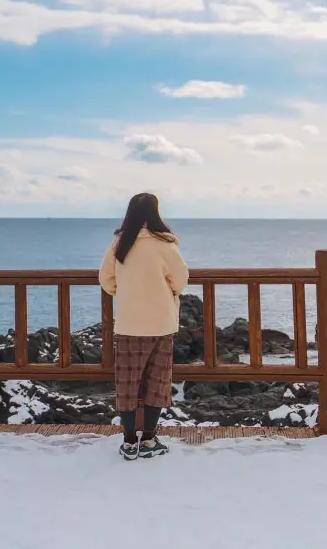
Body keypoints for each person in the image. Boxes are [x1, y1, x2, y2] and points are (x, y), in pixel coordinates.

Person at [99, 193, 189, 460]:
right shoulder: (165, 244)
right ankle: (149, 439)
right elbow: (181, 280)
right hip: (160, 323)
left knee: (127, 384)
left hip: (129, 323)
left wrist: (125, 294)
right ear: (156, 213)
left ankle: (128, 442)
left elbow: (106, 279)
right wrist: (165, 293)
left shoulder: (120, 242)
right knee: (156, 383)